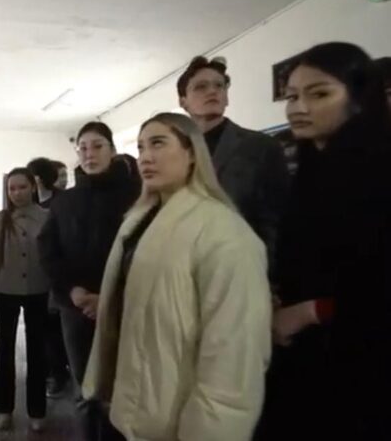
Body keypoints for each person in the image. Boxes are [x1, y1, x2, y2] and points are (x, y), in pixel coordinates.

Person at [82, 112, 271, 441]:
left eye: (158, 144)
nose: (145, 157)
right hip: (128, 405)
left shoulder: (224, 231)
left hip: (175, 419)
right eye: (141, 148)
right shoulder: (138, 220)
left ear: (192, 153)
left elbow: (234, 351)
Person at [257, 42, 391, 440]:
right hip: (304, 358)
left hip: (364, 368)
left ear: (358, 99)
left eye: (319, 94)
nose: (298, 107)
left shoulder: (379, 171)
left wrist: (310, 311)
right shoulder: (311, 171)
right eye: (292, 96)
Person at [38, 121, 141, 441]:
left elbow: (145, 255)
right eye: (82, 147)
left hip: (125, 307)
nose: (89, 153)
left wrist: (109, 298)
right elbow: (49, 251)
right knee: (85, 389)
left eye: (97, 146)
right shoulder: (65, 201)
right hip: (76, 308)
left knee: (120, 388)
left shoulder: (137, 197)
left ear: (112, 150)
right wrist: (72, 290)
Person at [177, 56, 290, 279]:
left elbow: (276, 220)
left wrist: (267, 277)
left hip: (244, 270)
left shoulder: (260, 146)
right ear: (183, 101)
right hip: (186, 271)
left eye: (219, 85)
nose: (213, 91)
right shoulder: (177, 150)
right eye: (201, 87)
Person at [0, 167, 50, 433]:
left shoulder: (47, 217)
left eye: (22, 187)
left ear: (33, 187)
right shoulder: (2, 219)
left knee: (37, 351)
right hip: (7, 292)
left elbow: (53, 258)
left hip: (39, 292)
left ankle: (37, 410)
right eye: (12, 188)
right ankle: (3, 408)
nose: (17, 193)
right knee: (4, 350)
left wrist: (56, 295)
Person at [27, 157, 71, 397]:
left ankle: (59, 374)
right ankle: (45, 371)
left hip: (56, 275)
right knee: (40, 328)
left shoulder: (61, 202)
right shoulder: (29, 203)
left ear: (38, 179)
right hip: (34, 275)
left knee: (55, 329)